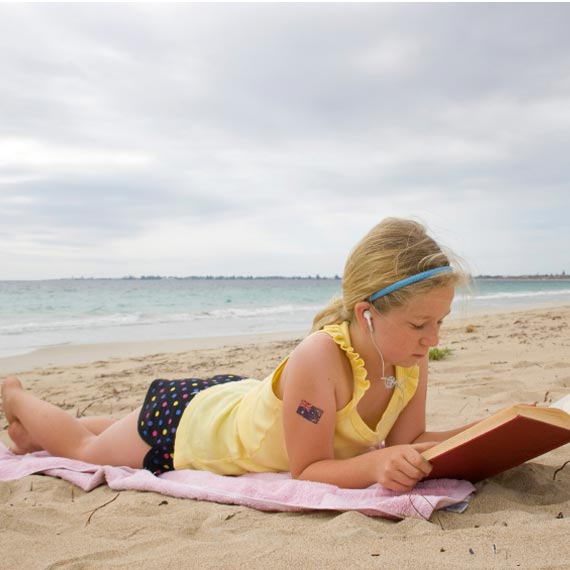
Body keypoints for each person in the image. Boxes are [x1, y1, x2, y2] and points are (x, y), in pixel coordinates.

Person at [1, 218, 476, 492]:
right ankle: (17, 397)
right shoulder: (320, 357)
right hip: (193, 426)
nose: (433, 339)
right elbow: (307, 470)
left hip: (239, 404)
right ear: (367, 313)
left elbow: (411, 438)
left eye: (440, 322)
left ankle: (26, 438)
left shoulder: (406, 361)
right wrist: (374, 465)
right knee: (86, 450)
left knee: (115, 426)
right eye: (420, 324)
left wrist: (487, 432)